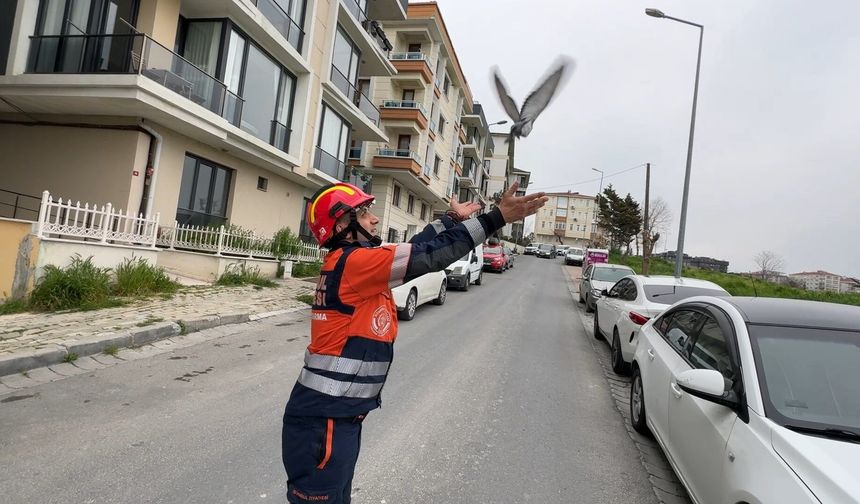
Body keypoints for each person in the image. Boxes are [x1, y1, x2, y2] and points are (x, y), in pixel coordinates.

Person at [281, 181, 547, 503]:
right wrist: (496, 218)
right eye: (364, 214)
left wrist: (449, 219)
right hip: (324, 424)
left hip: (336, 419)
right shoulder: (354, 263)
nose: (375, 219)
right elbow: (428, 256)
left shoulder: (356, 262)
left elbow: (413, 247)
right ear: (341, 225)